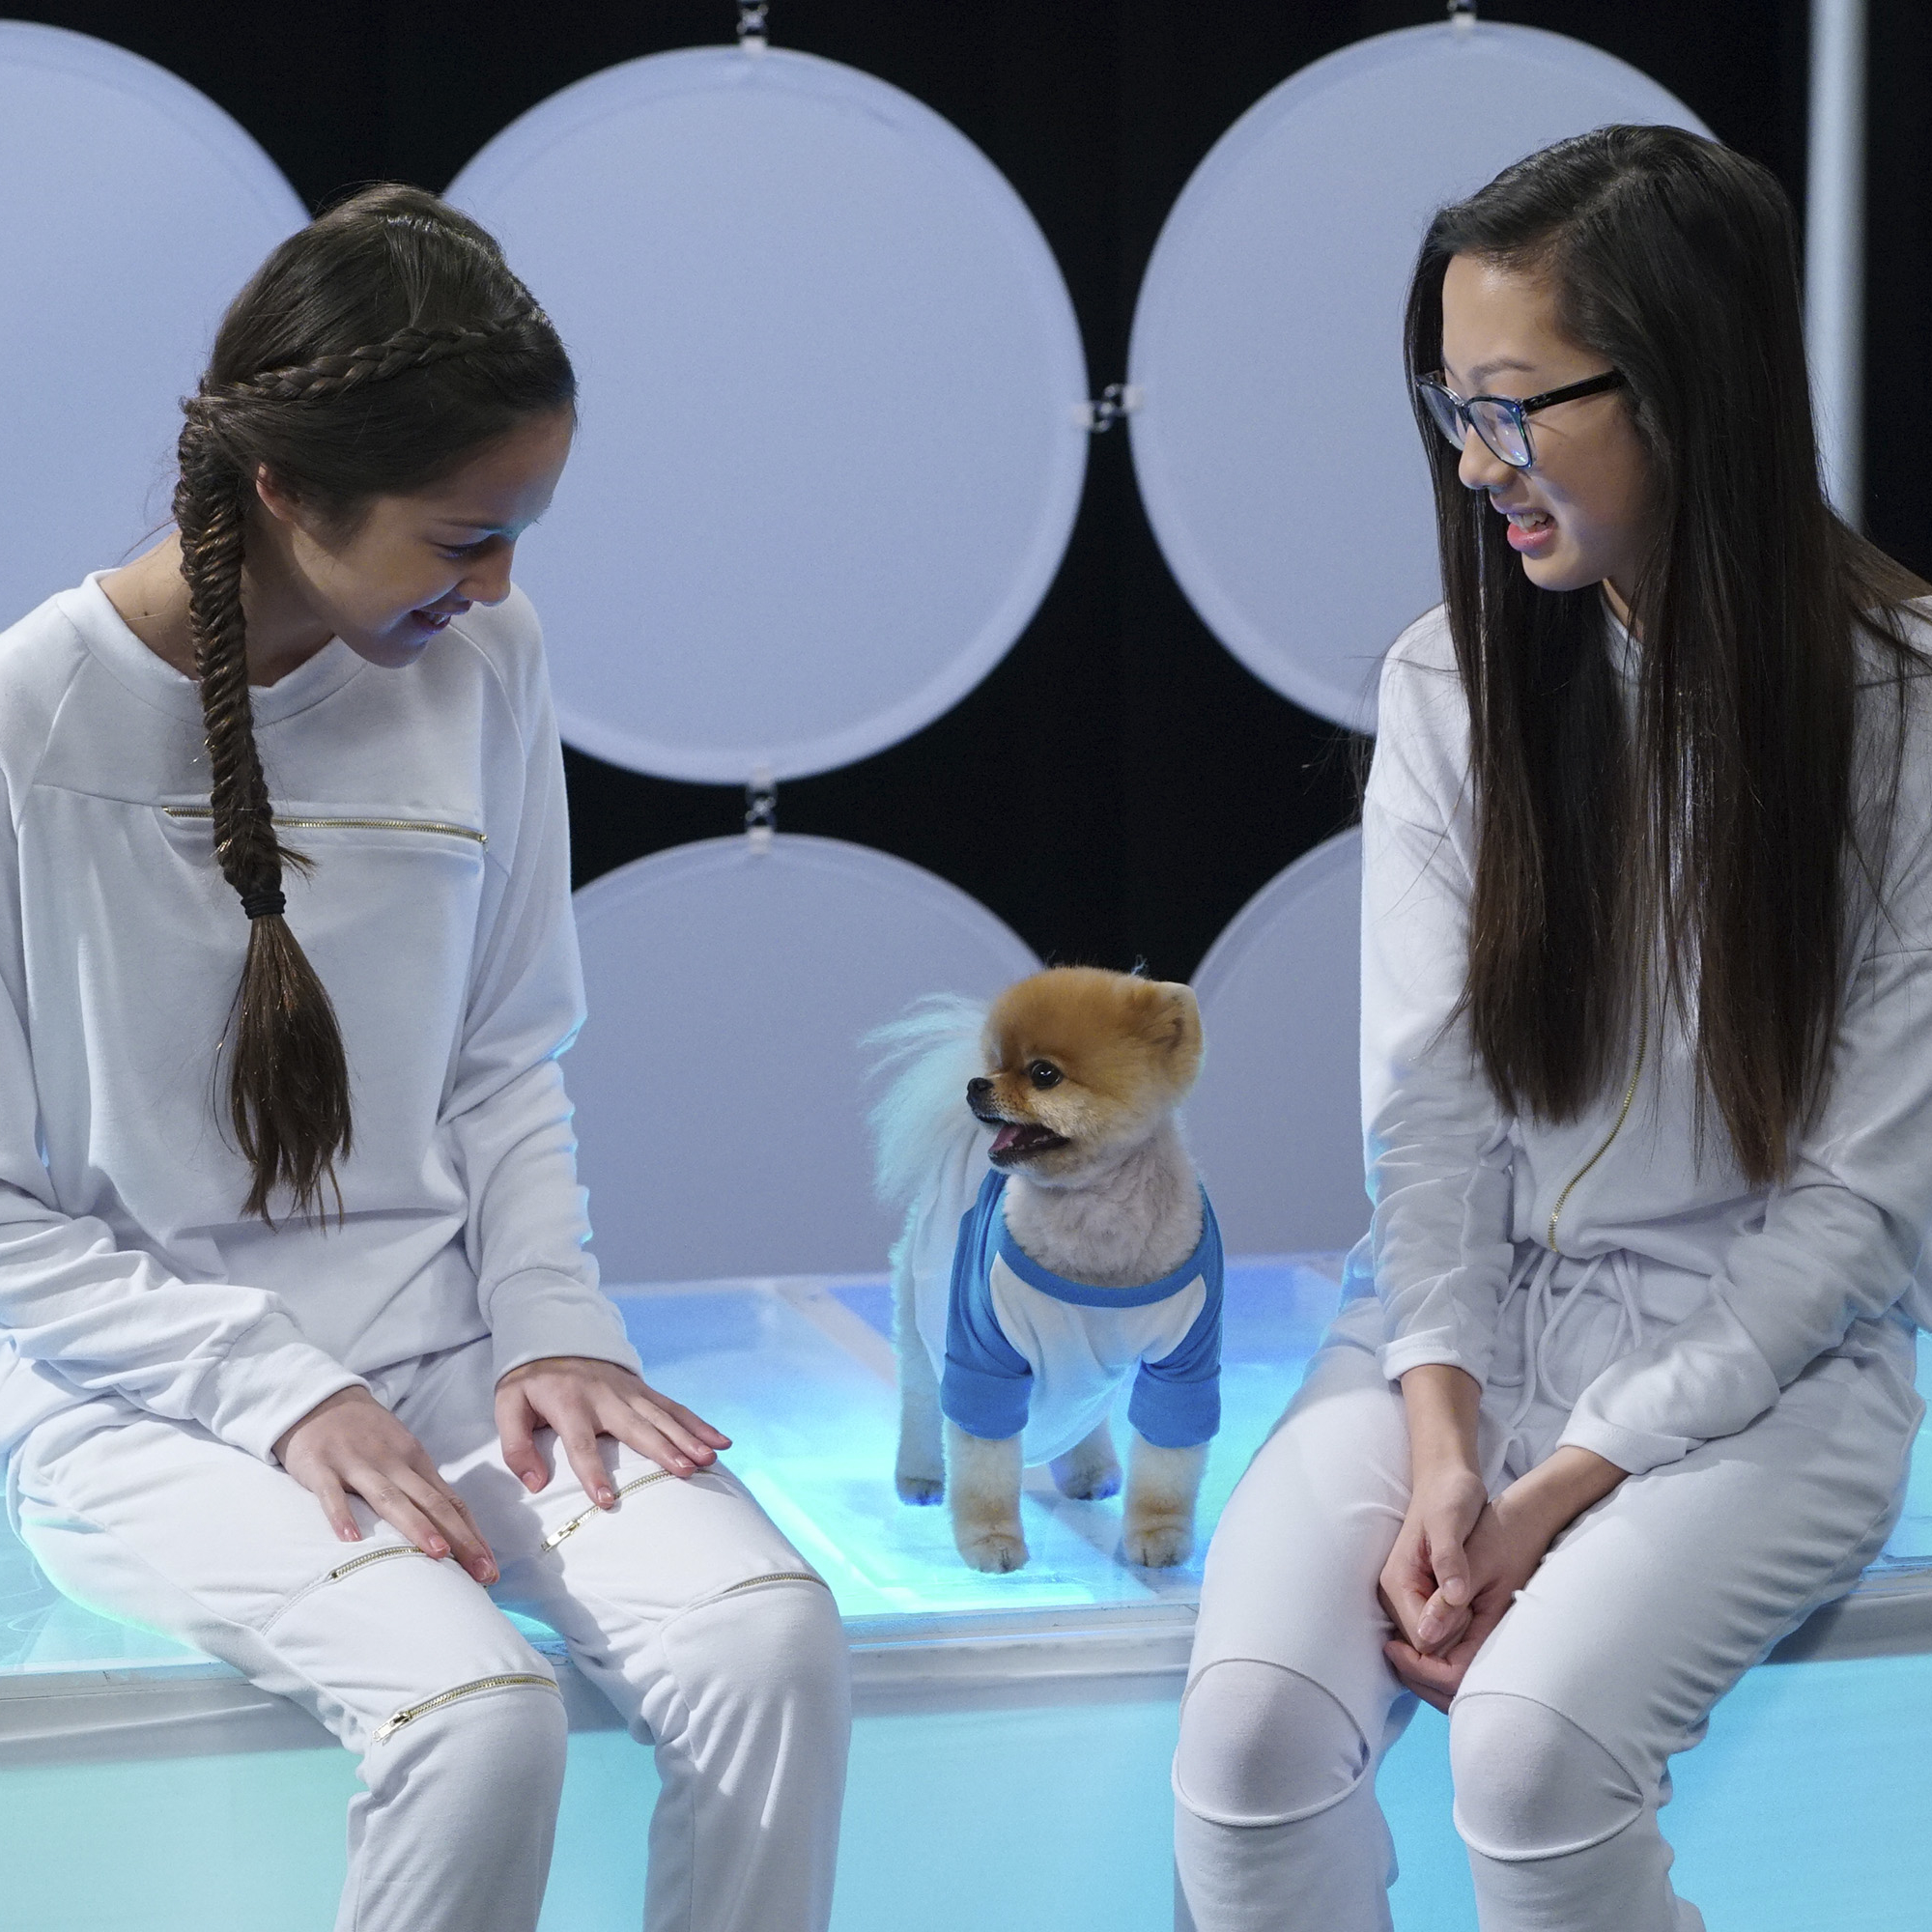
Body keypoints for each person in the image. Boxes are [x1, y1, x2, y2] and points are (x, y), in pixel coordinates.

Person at [0, 185, 848, 1932]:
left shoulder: (487, 664)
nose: (500, 586)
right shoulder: (25, 725)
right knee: (477, 1719)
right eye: (464, 539)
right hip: (144, 1410)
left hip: (449, 1354)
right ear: (284, 486)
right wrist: (281, 1392)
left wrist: (555, 1323)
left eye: (521, 533)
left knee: (768, 1641)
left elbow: (505, 1060)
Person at [1172, 125, 1932, 1932]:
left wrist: (1567, 1484)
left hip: (1778, 1374)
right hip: (1457, 1334)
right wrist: (1447, 1446)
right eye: (1454, 406)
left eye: (1514, 407)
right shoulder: (1453, 680)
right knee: (1251, 1748)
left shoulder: (1903, 707)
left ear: (1687, 386)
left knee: (1526, 1755)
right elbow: (1429, 1127)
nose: (1472, 462)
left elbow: (1861, 1211)